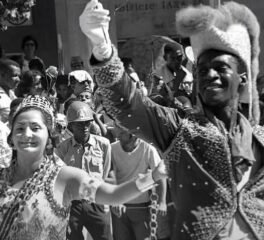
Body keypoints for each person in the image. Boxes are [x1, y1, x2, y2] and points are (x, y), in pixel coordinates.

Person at [80, 1, 264, 239]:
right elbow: (129, 106)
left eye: (220, 67)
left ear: (242, 78)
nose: (209, 74)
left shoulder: (260, 139)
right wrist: (102, 49)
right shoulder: (180, 129)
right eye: (202, 68)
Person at [0, 95, 167, 240]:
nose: (26, 134)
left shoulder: (65, 178)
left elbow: (112, 195)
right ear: (11, 138)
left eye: (35, 128)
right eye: (20, 128)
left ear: (49, 136)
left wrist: (152, 178)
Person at [56, 101, 112, 240]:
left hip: (96, 201)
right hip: (72, 204)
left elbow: (105, 172)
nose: (85, 127)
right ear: (71, 126)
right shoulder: (63, 148)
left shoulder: (104, 145)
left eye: (87, 123)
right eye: (79, 124)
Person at [110, 126, 167, 240]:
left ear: (132, 135)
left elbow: (160, 175)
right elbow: (110, 175)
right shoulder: (112, 148)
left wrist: (162, 202)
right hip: (119, 209)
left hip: (142, 207)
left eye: (121, 132)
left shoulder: (148, 148)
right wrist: (115, 199)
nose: (117, 135)